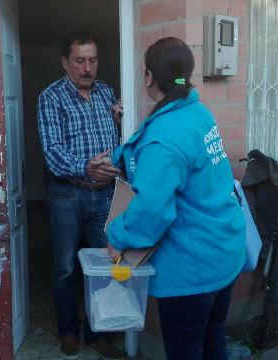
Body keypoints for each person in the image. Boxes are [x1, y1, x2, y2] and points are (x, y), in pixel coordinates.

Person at [106, 37, 247, 360]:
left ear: (149, 77)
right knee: (213, 342)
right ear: (186, 74)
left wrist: (116, 236)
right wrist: (119, 160)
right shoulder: (196, 112)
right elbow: (177, 161)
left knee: (186, 353)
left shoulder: (166, 136)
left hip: (193, 268)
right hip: (223, 251)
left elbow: (151, 214)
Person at [37, 31, 123, 359]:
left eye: (92, 60)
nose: (87, 68)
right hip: (67, 195)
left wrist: (118, 122)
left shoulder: (106, 93)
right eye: (80, 60)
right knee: (65, 267)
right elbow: (52, 152)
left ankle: (98, 333)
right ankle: (69, 330)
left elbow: (111, 140)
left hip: (104, 195)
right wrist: (86, 167)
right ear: (65, 62)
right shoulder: (51, 97)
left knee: (102, 264)